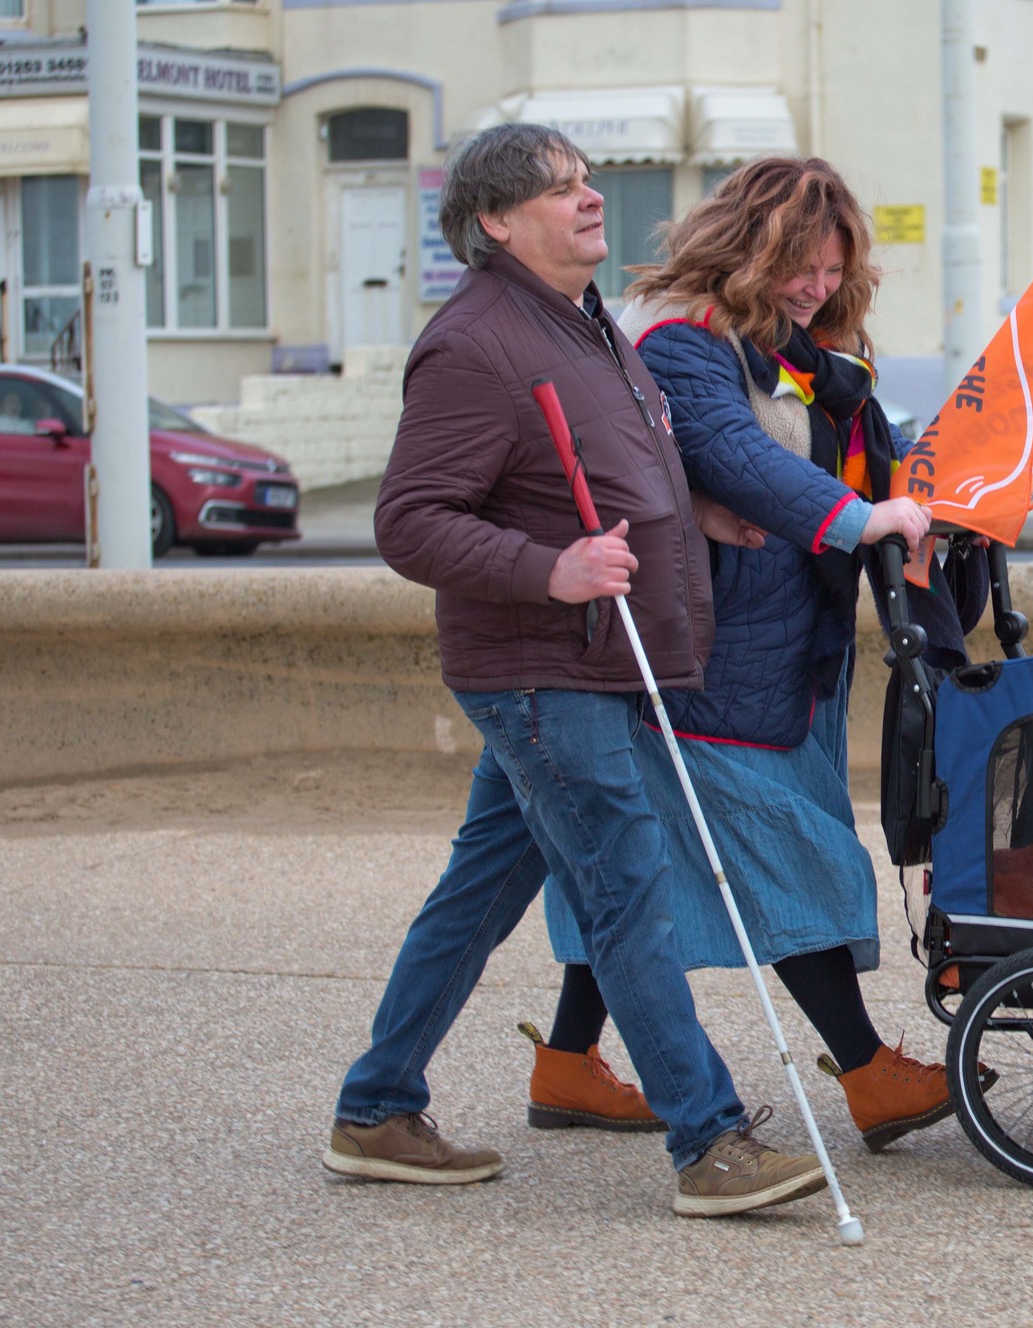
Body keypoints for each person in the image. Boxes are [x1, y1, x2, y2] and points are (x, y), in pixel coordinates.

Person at [323, 123, 897, 1218]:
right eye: (559, 189)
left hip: (592, 659)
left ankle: (375, 1106)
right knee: (629, 891)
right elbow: (410, 522)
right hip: (545, 666)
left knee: (477, 894)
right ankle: (710, 1139)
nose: (589, 200)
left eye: (587, 181)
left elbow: (626, 471)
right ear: (495, 221)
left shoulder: (582, 325)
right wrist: (551, 567)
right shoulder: (476, 342)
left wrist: (702, 514)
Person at [525, 156, 977, 1154]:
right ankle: (868, 1074)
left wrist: (944, 478)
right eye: (798, 266)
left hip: (780, 652)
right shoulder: (689, 345)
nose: (816, 286)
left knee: (644, 867)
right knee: (781, 854)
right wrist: (865, 518)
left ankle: (564, 1064)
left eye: (831, 268)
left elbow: (857, 441)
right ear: (745, 247)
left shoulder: (802, 348)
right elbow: (742, 459)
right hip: (709, 663)